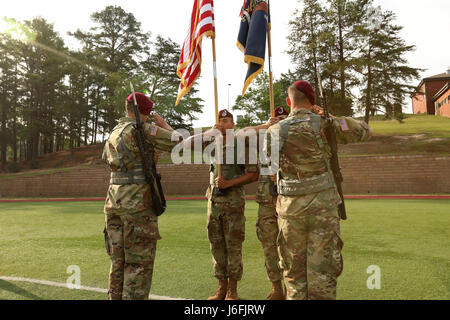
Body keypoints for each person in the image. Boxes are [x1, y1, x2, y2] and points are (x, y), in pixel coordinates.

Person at [265, 80, 372, 300]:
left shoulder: (274, 131)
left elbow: (271, 171)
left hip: (290, 210)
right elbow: (364, 131)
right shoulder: (327, 124)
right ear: (312, 102)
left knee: (293, 273)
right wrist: (331, 118)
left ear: (288, 101)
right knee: (322, 273)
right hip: (323, 207)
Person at [102, 92, 177, 300]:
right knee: (138, 265)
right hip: (137, 206)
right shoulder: (142, 129)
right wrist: (165, 126)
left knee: (118, 262)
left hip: (113, 201)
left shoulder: (115, 131)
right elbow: (178, 143)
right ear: (145, 112)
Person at [186, 109, 258, 300]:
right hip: (214, 203)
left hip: (233, 202)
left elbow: (254, 174)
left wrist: (230, 183)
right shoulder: (211, 143)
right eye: (220, 121)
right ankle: (221, 287)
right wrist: (209, 132)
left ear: (233, 125)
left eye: (227, 121)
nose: (223, 124)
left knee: (233, 245)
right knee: (216, 245)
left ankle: (232, 289)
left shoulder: (243, 144)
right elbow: (186, 144)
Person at [238, 106, 290, 300]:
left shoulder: (292, 132)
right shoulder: (263, 134)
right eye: (277, 117)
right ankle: (276, 288)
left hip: (289, 198)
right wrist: (266, 125)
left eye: (284, 117)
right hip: (267, 199)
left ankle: (292, 288)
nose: (280, 120)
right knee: (269, 246)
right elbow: (240, 134)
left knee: (293, 246)